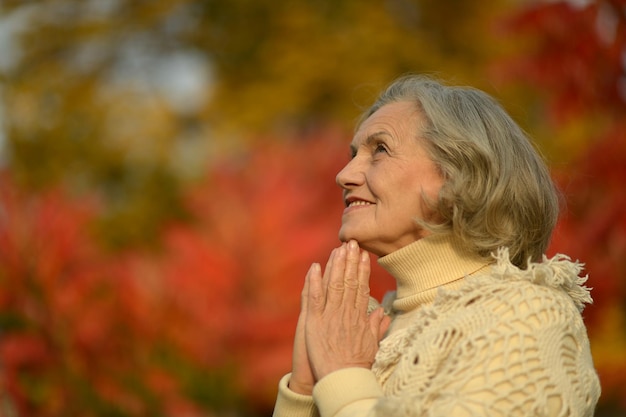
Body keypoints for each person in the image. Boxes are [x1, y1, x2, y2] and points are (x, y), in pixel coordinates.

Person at [272, 75, 601, 417]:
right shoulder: (366, 327)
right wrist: (304, 392)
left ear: (459, 173)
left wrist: (343, 376)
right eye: (354, 154)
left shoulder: (529, 313)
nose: (344, 174)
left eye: (379, 150)